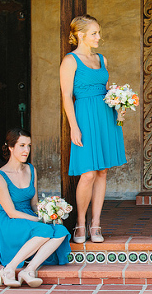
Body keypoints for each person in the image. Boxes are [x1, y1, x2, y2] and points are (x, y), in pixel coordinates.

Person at [59, 15, 127, 244]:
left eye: (99, 32)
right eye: (95, 33)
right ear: (81, 35)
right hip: (84, 118)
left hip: (106, 117)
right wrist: (73, 127)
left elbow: (108, 90)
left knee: (103, 172)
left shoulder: (102, 59)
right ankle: (80, 223)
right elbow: (67, 96)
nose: (99, 36)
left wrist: (120, 108)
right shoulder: (70, 61)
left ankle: (96, 224)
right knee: (87, 173)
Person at [0, 128, 70, 288]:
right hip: (9, 220)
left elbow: (34, 204)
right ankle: (9, 269)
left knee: (60, 230)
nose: (27, 150)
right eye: (22, 145)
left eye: (29, 146)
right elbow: (11, 212)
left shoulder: (31, 169)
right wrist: (39, 220)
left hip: (28, 216)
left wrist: (50, 212)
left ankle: (29, 270)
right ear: (11, 147)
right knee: (45, 230)